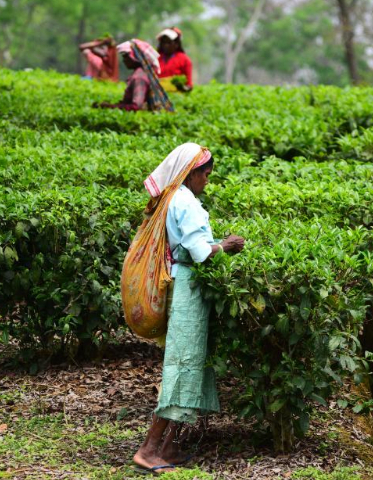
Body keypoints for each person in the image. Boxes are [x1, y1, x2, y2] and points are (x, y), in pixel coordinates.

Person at [132, 143, 246, 475]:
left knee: (192, 363)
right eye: (206, 175)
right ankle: (149, 449)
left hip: (186, 287)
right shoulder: (186, 203)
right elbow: (200, 252)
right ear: (192, 173)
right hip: (189, 292)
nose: (207, 181)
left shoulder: (175, 199)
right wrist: (226, 246)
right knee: (182, 366)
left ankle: (170, 446)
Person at [95, 39, 172, 111]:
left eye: (126, 56)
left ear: (135, 57)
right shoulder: (142, 73)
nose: (124, 60)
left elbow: (136, 106)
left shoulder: (139, 77)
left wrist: (110, 107)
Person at [156, 27, 193, 92]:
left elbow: (189, 86)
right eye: (163, 42)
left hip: (177, 96)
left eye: (169, 42)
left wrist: (182, 87)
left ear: (176, 44)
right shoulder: (156, 59)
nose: (166, 45)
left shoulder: (184, 60)